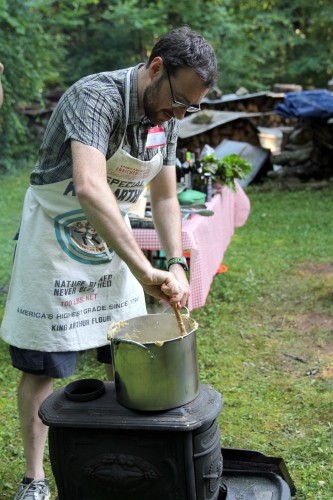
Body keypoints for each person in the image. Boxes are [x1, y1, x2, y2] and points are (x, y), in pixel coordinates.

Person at [0, 26, 218, 500]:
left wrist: (175, 261)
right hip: (56, 243)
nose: (180, 113)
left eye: (191, 108)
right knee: (43, 363)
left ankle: (118, 457)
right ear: (156, 67)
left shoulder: (168, 116)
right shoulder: (95, 97)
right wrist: (145, 269)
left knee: (124, 358)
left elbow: (163, 197)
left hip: (110, 245)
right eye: (179, 100)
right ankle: (34, 478)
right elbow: (89, 187)